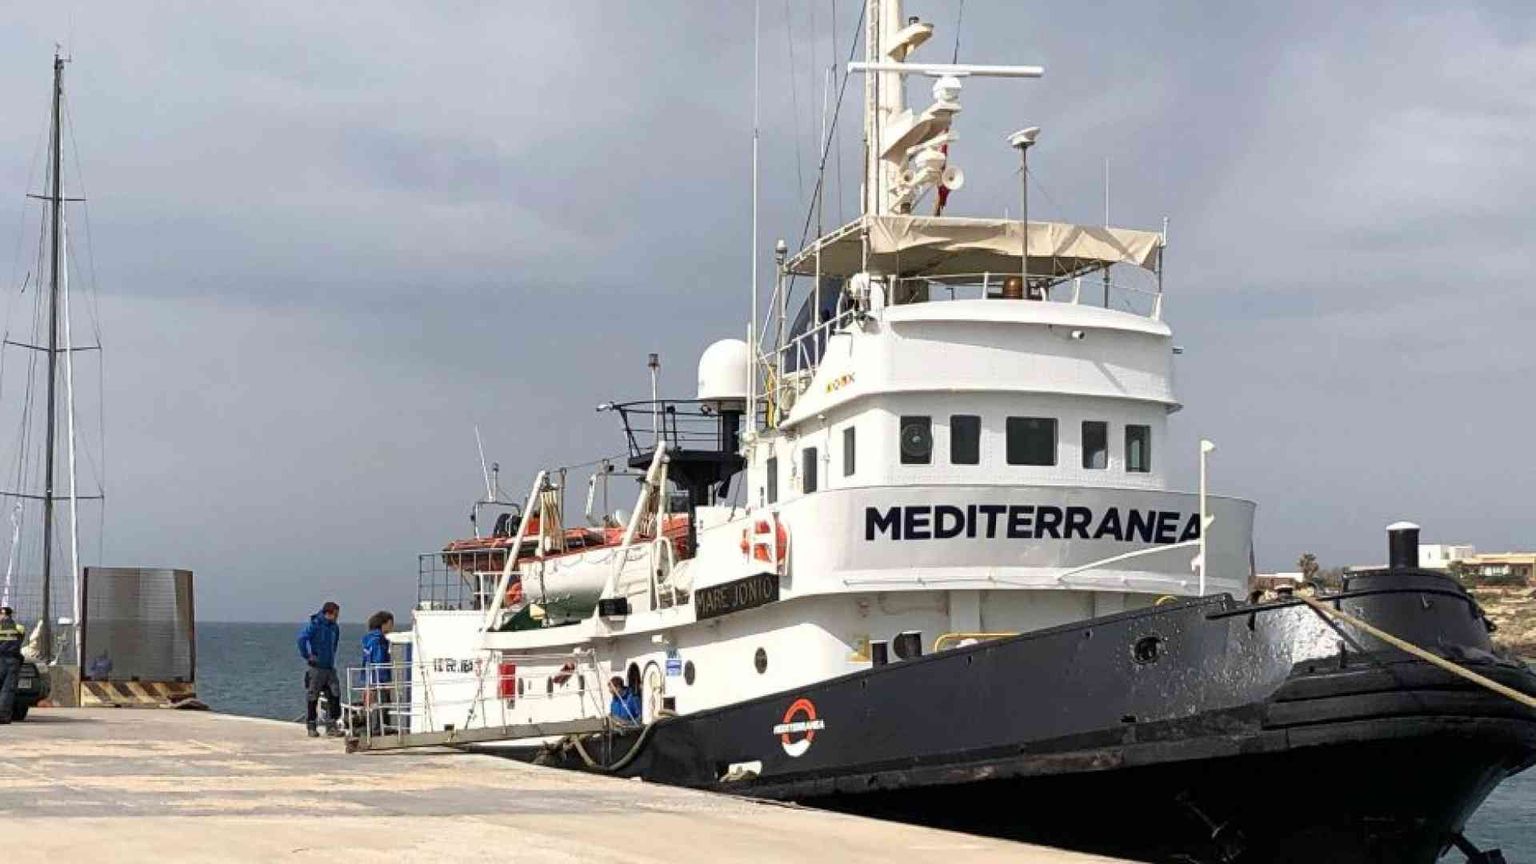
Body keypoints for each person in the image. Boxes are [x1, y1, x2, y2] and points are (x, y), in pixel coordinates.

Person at [296, 601, 342, 738]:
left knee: (335, 694)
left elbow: (335, 643)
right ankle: (311, 725)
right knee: (313, 697)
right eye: (335, 615)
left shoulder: (335, 628)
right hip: (316, 668)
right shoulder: (315, 625)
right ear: (328, 613)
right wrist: (308, 655)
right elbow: (301, 639)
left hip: (329, 667)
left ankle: (331, 725)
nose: (337, 618)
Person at [361, 611, 394, 735]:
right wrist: (384, 680)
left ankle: (375, 727)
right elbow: (379, 660)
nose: (392, 627)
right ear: (384, 624)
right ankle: (376, 729)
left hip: (370, 676)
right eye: (391, 624)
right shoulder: (379, 641)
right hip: (378, 678)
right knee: (381, 703)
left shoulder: (369, 639)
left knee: (374, 704)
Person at [0, 606, 23, 725]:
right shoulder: (19, 628)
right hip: (12, 660)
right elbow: (20, 640)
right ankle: (3, 716)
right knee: (7, 690)